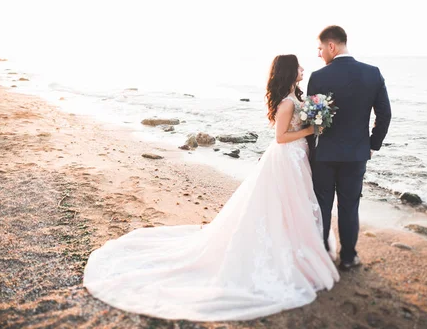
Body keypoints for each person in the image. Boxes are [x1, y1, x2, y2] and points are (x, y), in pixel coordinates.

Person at [83, 54, 339, 321]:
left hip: (297, 159)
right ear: (289, 71)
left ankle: (297, 244)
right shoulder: (287, 103)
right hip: (287, 157)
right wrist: (311, 131)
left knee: (292, 205)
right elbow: (281, 137)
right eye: (298, 66)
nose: (302, 69)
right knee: (281, 204)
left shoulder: (295, 97)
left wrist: (315, 119)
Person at [307, 25, 391, 271]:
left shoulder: (319, 77)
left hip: (323, 155)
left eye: (320, 48)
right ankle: (348, 257)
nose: (320, 54)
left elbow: (310, 121)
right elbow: (384, 115)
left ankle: (321, 254)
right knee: (349, 206)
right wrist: (372, 144)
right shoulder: (372, 73)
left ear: (331, 46)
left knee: (322, 204)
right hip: (356, 155)